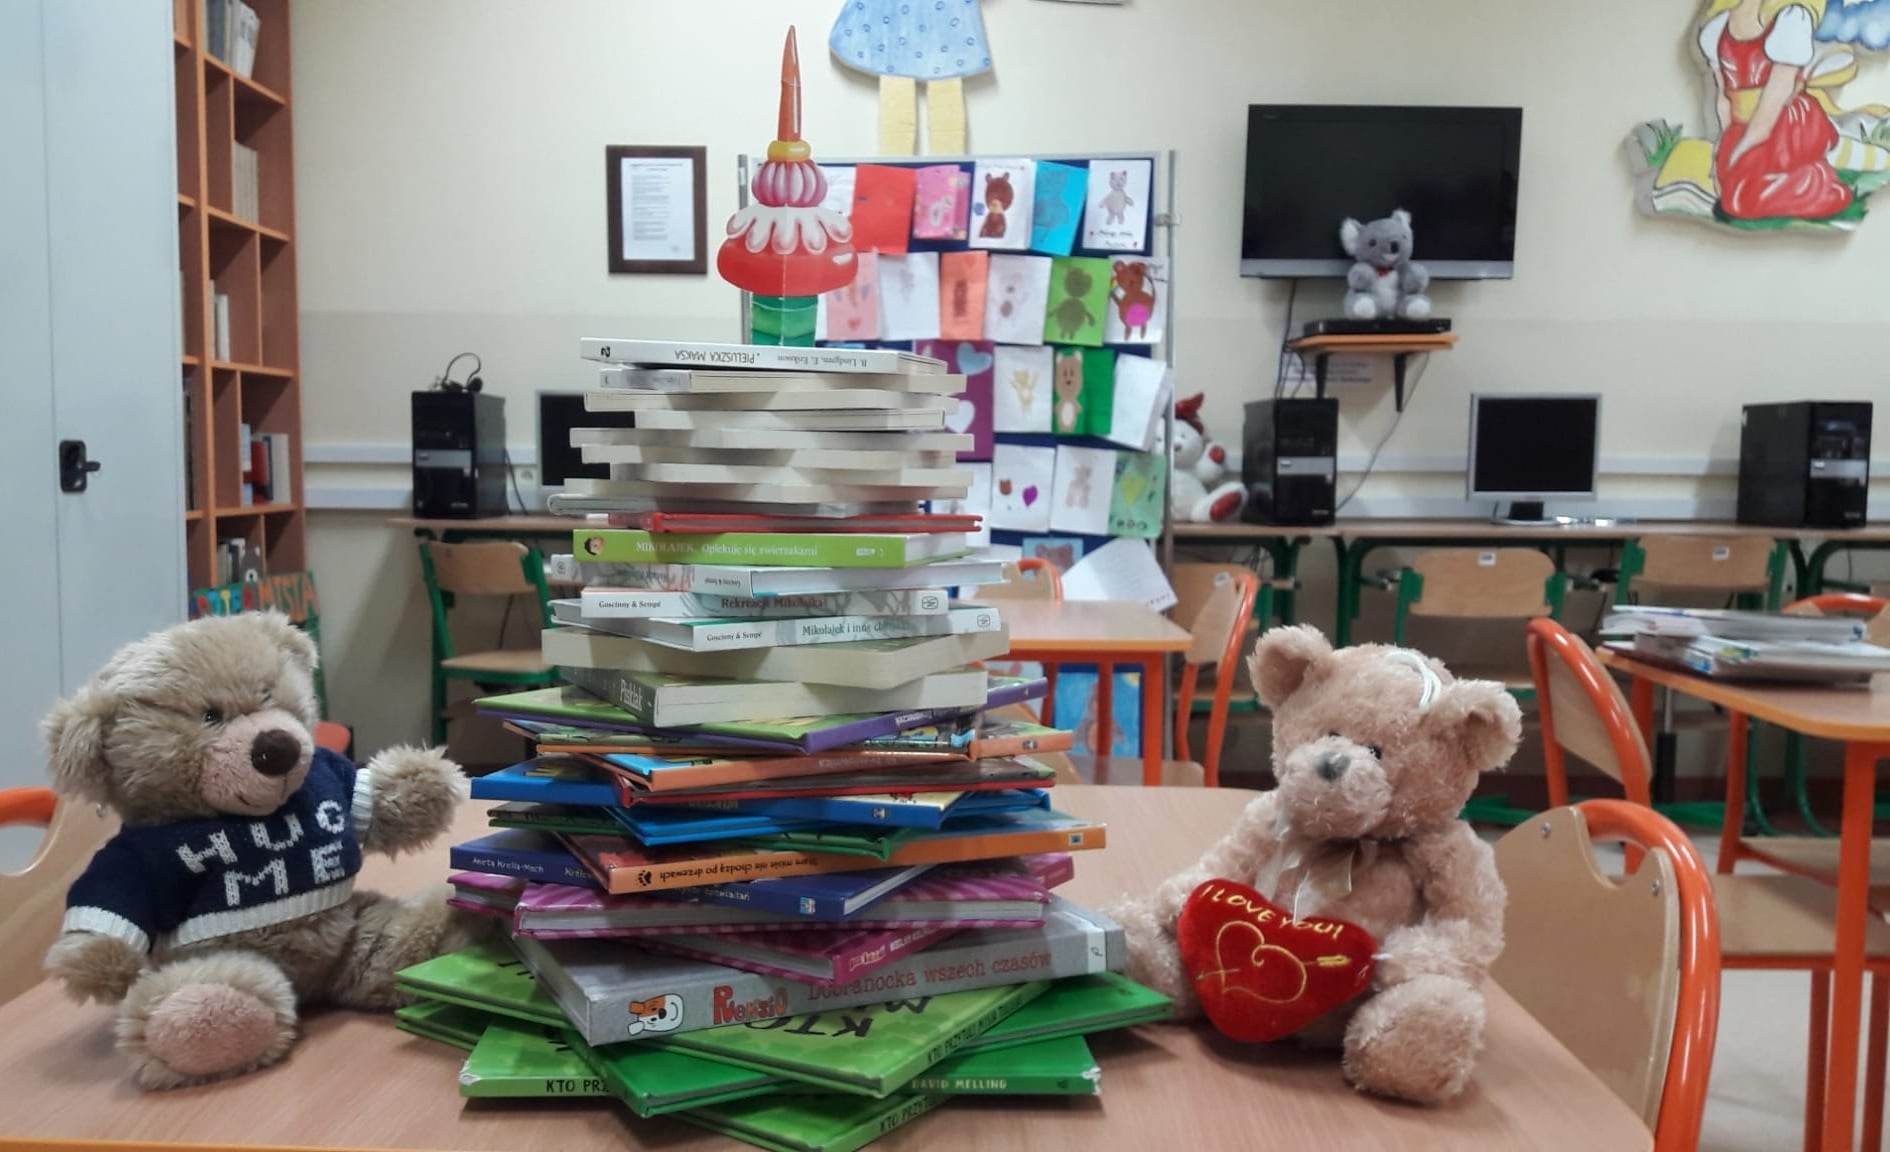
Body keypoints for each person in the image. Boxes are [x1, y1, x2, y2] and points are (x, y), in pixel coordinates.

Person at [1700, 0, 1854, 221]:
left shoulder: (1790, 19)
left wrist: (1739, 152)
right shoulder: (1716, 29)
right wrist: (1724, 146)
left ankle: (1819, 180)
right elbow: (1723, 99)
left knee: (1742, 199)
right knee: (1726, 187)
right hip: (1742, 125)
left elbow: (1772, 105)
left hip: (1783, 122)